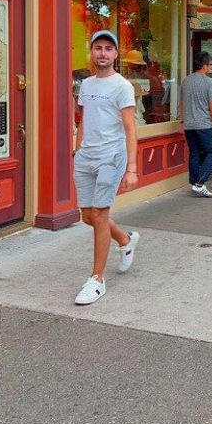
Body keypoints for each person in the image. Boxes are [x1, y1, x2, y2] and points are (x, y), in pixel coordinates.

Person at [72, 30, 139, 305]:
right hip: (86, 156)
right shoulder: (86, 85)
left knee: (100, 214)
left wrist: (132, 167)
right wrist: (77, 151)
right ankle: (125, 239)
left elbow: (130, 128)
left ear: (116, 54)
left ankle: (96, 279)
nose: (102, 53)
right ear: (92, 52)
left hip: (111, 156)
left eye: (108, 49)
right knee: (87, 216)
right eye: (98, 48)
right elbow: (84, 120)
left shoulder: (122, 86)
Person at [182, 51, 212, 197]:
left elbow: (182, 103)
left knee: (194, 153)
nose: (210, 68)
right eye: (209, 65)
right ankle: (200, 183)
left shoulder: (186, 81)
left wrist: (183, 121)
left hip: (189, 125)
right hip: (204, 125)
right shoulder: (209, 82)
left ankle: (194, 182)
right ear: (205, 66)